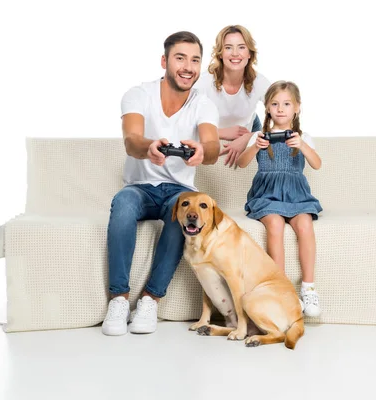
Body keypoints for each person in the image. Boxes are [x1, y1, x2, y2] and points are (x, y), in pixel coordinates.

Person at [101, 31, 220, 336]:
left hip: (178, 191)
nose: (188, 67)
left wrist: (203, 151)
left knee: (183, 214)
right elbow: (132, 140)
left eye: (195, 60)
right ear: (165, 61)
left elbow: (213, 146)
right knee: (123, 204)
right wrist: (150, 147)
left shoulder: (203, 103)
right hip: (140, 187)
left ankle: (151, 299)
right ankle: (118, 298)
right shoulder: (138, 94)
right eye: (180, 58)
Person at [236, 81, 323, 317]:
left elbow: (317, 164)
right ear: (267, 108)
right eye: (275, 104)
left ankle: (308, 287)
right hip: (267, 194)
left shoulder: (303, 137)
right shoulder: (259, 135)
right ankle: (282, 288)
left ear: (297, 108)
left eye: (286, 104)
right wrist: (255, 147)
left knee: (304, 224)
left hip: (296, 195)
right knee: (274, 225)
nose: (280, 109)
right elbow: (242, 163)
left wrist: (302, 145)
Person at [193, 25, 271, 167]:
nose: (235, 53)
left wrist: (250, 137)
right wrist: (221, 133)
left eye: (241, 47)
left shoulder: (259, 81)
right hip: (211, 129)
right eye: (228, 47)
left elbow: (285, 116)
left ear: (249, 53)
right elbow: (183, 123)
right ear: (220, 53)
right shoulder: (203, 83)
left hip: (249, 127)